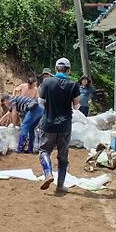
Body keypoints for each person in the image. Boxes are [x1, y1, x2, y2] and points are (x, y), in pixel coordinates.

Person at [38, 57, 80, 193]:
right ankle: (60, 186)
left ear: (56, 69)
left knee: (44, 150)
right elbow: (77, 106)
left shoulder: (46, 83)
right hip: (65, 126)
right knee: (63, 156)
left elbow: (40, 103)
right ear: (68, 70)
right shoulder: (73, 84)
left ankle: (48, 174)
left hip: (48, 124)